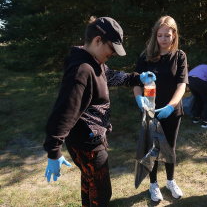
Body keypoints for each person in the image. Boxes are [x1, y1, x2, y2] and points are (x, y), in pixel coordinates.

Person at [43, 16, 154, 207]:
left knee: (90, 184)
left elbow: (110, 76)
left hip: (90, 140)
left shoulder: (93, 62)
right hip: (87, 144)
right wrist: (53, 151)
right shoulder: (82, 69)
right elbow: (65, 110)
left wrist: (138, 78)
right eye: (112, 48)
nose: (113, 53)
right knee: (101, 194)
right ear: (97, 40)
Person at [133, 16, 188, 202]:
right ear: (155, 36)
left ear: (174, 36)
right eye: (160, 35)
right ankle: (153, 184)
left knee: (169, 148)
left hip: (172, 110)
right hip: (150, 110)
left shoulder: (179, 56)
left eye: (167, 35)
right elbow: (136, 82)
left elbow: (182, 85)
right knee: (152, 148)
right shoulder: (145, 56)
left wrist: (171, 106)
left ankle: (171, 181)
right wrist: (138, 97)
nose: (163, 39)